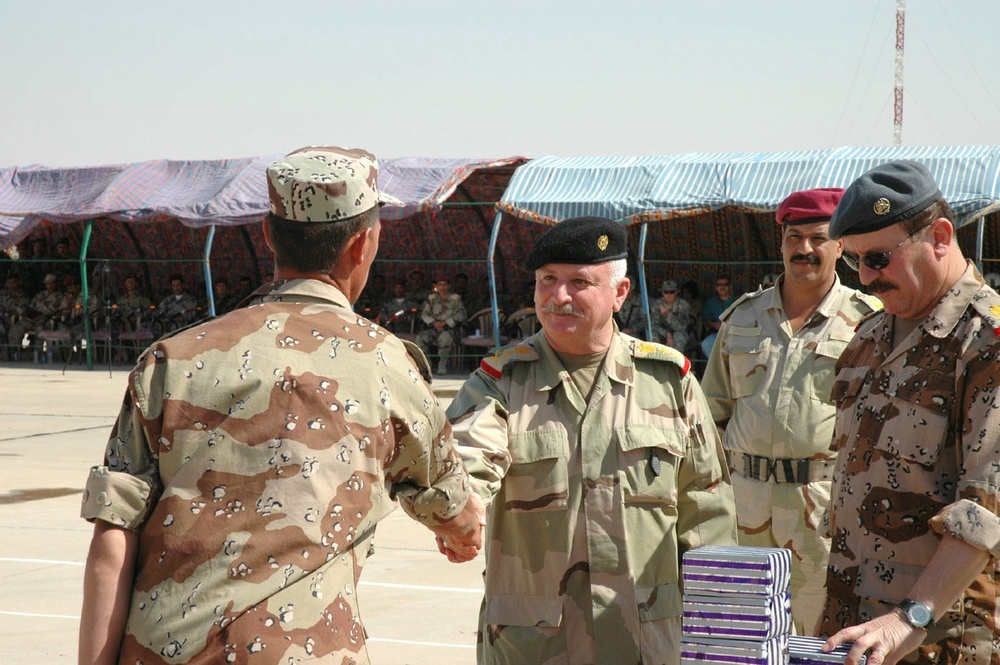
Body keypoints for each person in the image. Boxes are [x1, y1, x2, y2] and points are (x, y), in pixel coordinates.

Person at [77, 146, 486, 665]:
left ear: (268, 235)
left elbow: (113, 541)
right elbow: (449, 499)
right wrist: (462, 531)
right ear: (363, 244)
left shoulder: (170, 361)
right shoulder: (389, 366)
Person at [445, 215, 738, 665]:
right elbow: (468, 456)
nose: (558, 297)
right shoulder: (499, 382)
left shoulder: (667, 381)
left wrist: (719, 635)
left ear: (619, 293)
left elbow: (706, 511)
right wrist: (455, 509)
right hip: (536, 644)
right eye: (547, 280)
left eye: (579, 282)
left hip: (647, 640)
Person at [818, 160, 1000, 665]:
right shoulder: (870, 337)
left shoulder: (985, 343)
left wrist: (910, 617)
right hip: (853, 623)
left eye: (878, 257)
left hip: (940, 635)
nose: (867, 278)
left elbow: (988, 508)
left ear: (940, 236)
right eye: (855, 262)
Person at [700, 188, 882, 636]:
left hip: (821, 507)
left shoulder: (870, 322)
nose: (804, 249)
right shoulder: (742, 318)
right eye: (793, 237)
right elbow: (707, 416)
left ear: (841, 245)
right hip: (743, 504)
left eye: (818, 238)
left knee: (814, 633)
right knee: (738, 629)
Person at [416, 273, 467, 375]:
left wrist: (444, 324)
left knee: (444, 338)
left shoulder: (455, 299)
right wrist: (434, 323)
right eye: (440, 284)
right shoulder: (432, 299)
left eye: (444, 284)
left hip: (450, 329)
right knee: (420, 338)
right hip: (435, 328)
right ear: (436, 286)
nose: (442, 287)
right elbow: (424, 314)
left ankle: (442, 365)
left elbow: (461, 315)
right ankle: (427, 366)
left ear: (448, 286)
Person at [699, 274, 738, 359]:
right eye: (719, 285)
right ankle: (718, 368)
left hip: (734, 334)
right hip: (717, 334)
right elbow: (706, 320)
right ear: (715, 288)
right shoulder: (711, 302)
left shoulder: (737, 302)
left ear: (730, 287)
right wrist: (715, 324)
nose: (722, 287)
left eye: (725, 285)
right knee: (705, 344)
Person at [651, 278, 693, 352]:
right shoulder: (657, 304)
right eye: (666, 292)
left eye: (672, 292)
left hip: (680, 334)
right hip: (663, 333)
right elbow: (653, 324)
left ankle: (676, 362)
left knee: (678, 336)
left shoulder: (683, 305)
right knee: (653, 334)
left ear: (676, 292)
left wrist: (668, 315)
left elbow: (682, 327)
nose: (669, 295)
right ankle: (654, 360)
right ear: (662, 293)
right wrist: (667, 333)